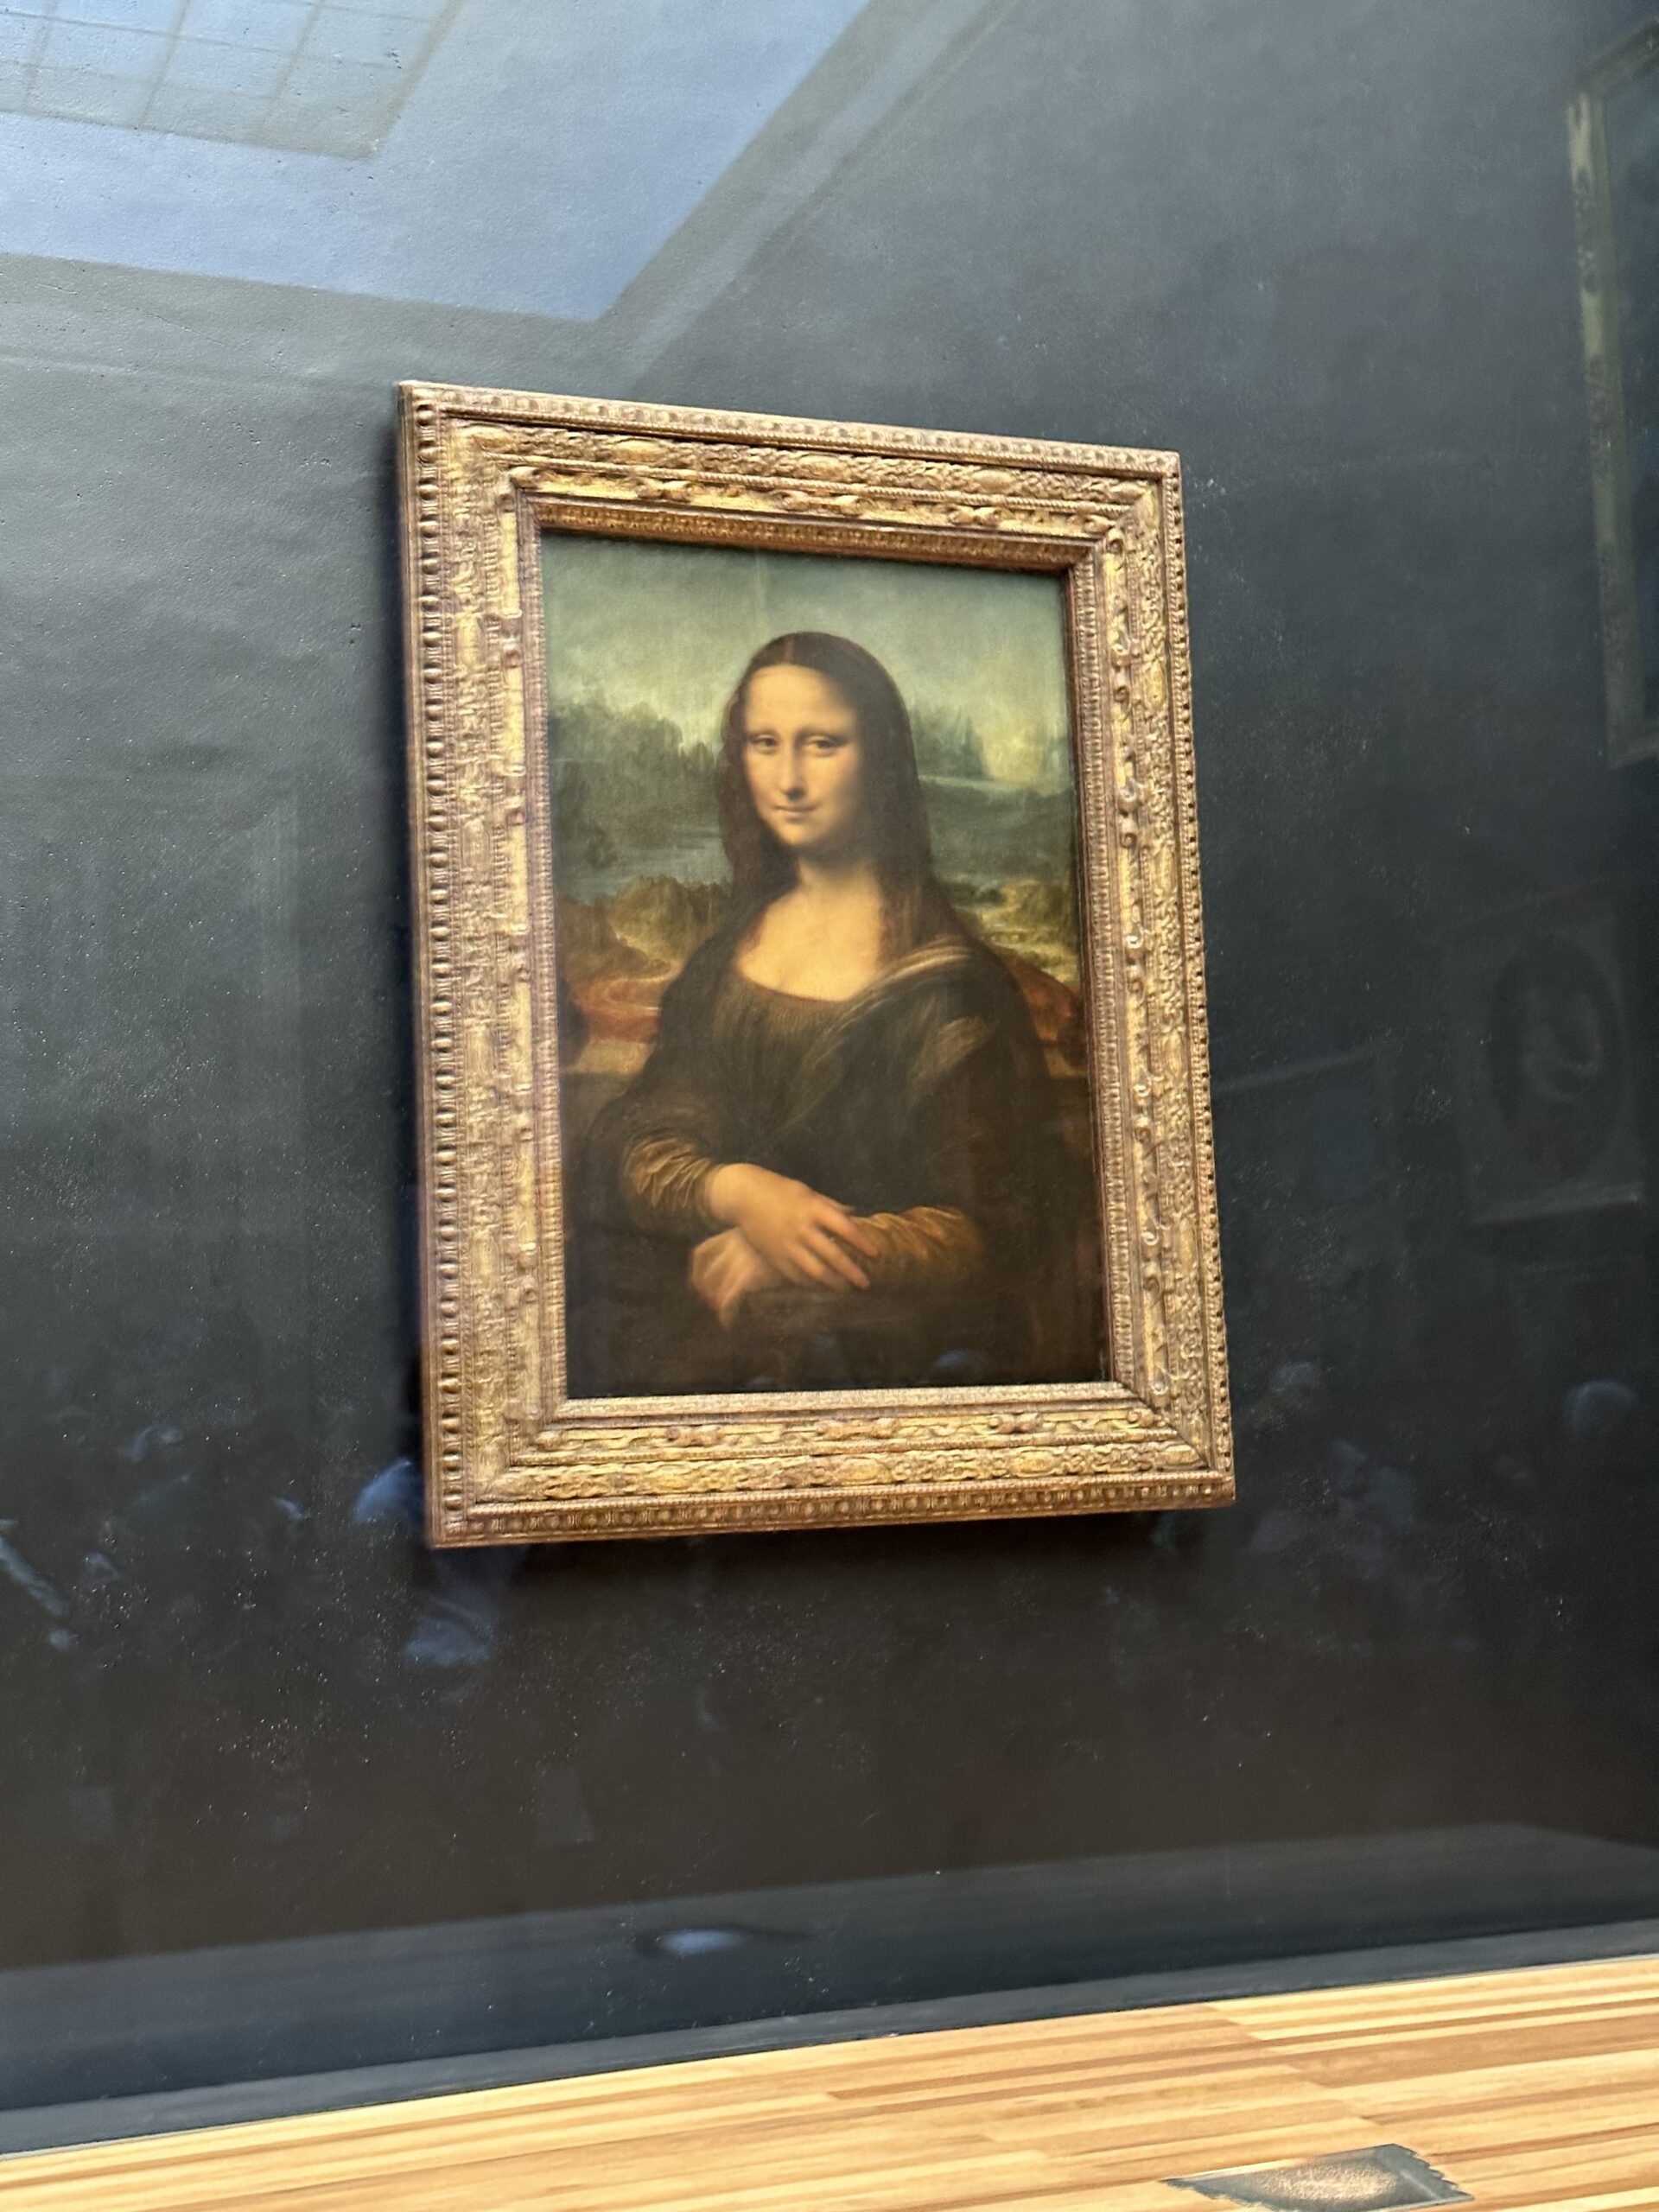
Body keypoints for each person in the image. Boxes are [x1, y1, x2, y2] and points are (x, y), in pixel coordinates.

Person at [569, 631, 1100, 1395]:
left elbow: (992, 1225)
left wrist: (800, 1246)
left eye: (821, 744)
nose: (789, 779)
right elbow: (638, 1140)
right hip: (703, 1335)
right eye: (764, 743)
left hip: (887, 1360)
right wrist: (739, 1192)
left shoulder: (953, 988)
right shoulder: (724, 961)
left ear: (878, 759)